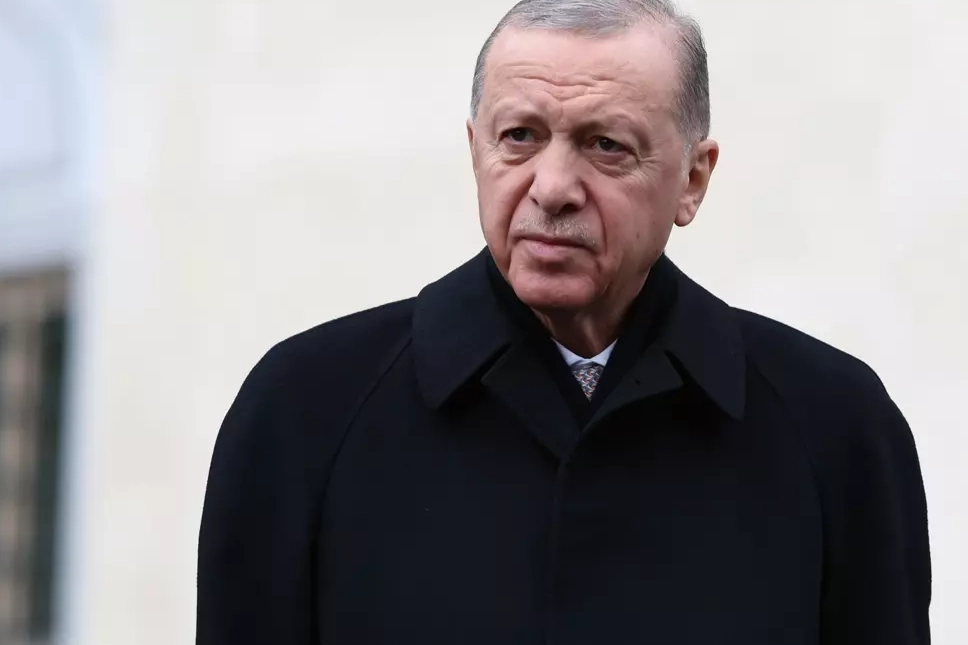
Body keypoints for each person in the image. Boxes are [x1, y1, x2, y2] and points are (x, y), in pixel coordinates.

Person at [196, 0, 931, 643]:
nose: (551, 188)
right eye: (519, 136)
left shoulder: (834, 426)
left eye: (606, 145)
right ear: (475, 150)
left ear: (693, 179)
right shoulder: (306, 410)